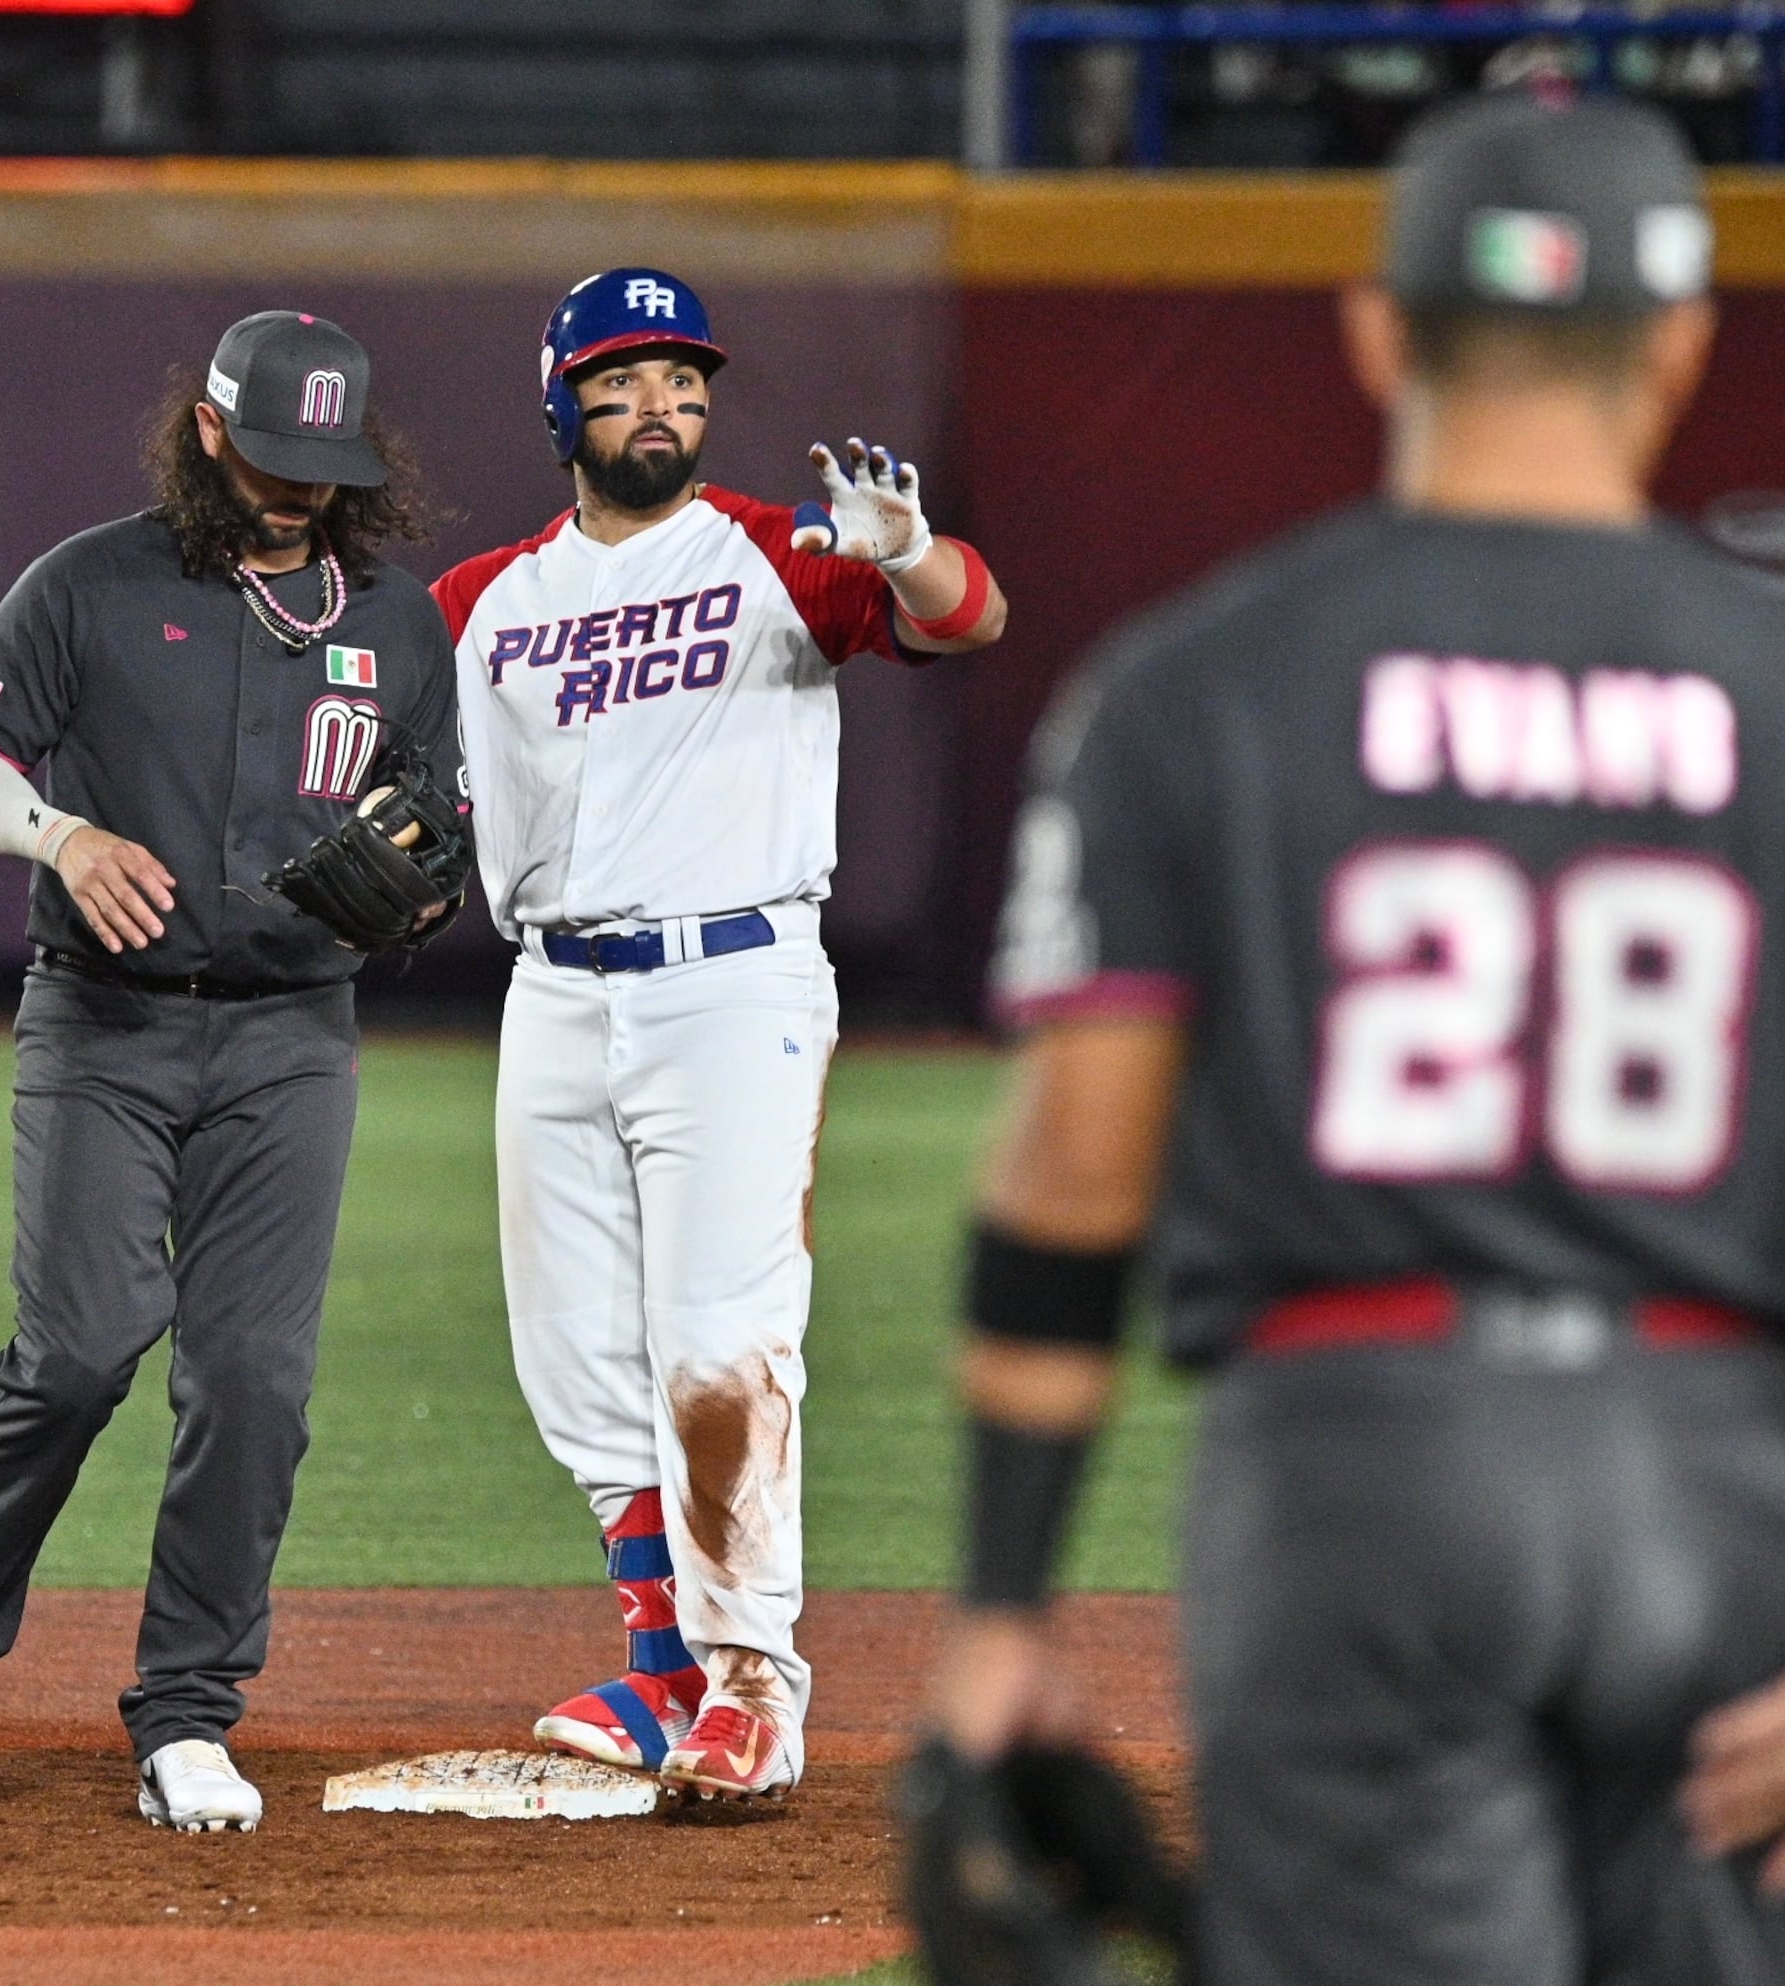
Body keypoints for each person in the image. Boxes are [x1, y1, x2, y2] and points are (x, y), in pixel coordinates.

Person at [925, 95, 1785, 1980]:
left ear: (1375, 328)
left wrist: (1004, 1615)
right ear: (1678, 344)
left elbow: (1075, 1172)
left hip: (1357, 1471)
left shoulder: (1198, 683)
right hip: (1712, 1477)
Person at [0, 311, 460, 1835]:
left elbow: (431, 830)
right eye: (268, 456)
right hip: (104, 1022)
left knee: (255, 1381)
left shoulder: (396, 620)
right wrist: (61, 833)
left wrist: (429, 887)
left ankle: (188, 1712)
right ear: (207, 429)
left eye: (323, 467)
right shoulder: (93, 583)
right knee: (79, 1346)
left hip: (290, 1039)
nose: (293, 490)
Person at [434, 268, 1009, 1799]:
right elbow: (427, 788)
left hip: (733, 978)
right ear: (563, 401)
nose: (662, 405)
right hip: (552, 986)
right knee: (575, 1361)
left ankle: (757, 1678)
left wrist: (919, 555)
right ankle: (661, 1668)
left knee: (719, 1341)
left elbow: (967, 619)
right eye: (625, 379)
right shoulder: (481, 601)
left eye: (685, 379)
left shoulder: (774, 553)